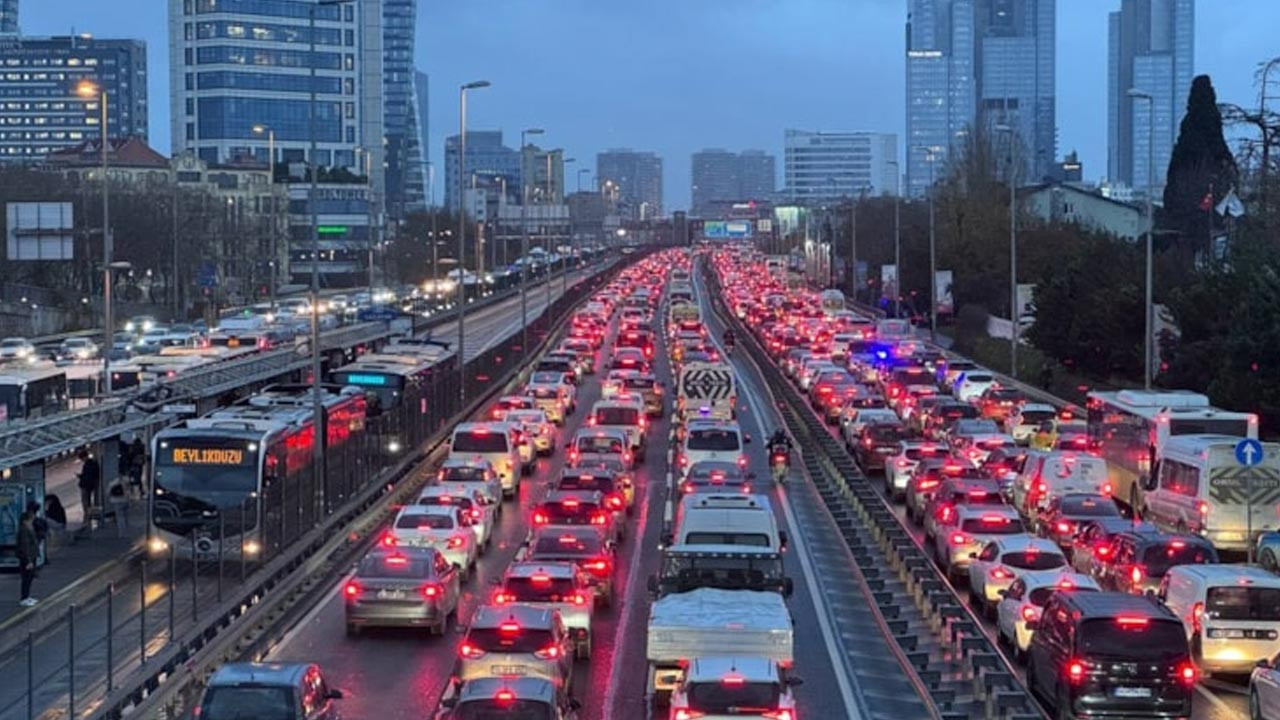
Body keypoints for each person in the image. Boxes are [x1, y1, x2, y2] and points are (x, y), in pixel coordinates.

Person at [16, 509, 39, 606]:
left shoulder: (29, 528)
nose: (32, 521)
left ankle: (27, 596)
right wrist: (28, 560)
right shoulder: (24, 530)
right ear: (26, 520)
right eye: (31, 519)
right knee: (26, 578)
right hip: (26, 557)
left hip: (31, 556)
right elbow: (24, 545)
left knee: (29, 577)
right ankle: (24, 598)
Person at [77, 450, 101, 524]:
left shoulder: (87, 465)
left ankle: (87, 517)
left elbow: (87, 476)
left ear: (84, 457)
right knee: (89, 502)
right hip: (91, 485)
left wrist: (80, 476)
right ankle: (89, 515)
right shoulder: (94, 463)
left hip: (85, 485)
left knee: (85, 502)